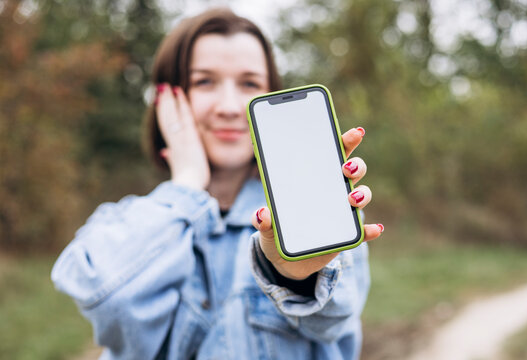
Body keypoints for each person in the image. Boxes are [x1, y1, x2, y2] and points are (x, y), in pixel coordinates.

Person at [51, 8, 384, 360]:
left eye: (250, 84)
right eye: (205, 82)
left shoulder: (318, 209)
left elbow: (336, 319)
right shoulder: (122, 222)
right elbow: (112, 304)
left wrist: (294, 277)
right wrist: (188, 186)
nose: (229, 106)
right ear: (169, 100)